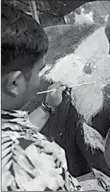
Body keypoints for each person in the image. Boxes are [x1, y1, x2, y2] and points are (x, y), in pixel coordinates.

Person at [1, 4, 82, 191]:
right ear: (14, 83)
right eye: (39, 71)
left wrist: (47, 108)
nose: (40, 79)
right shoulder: (34, 158)